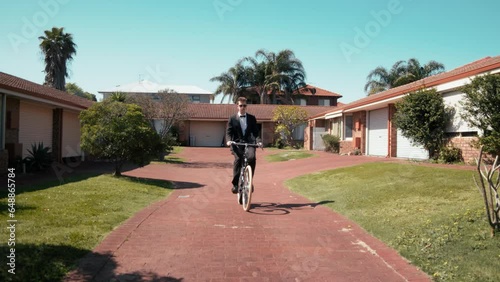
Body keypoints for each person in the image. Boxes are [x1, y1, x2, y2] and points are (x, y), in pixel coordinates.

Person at [226, 97, 262, 194]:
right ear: (237, 106)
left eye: (244, 105)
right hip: (237, 143)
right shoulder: (232, 118)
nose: (243, 107)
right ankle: (236, 184)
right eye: (241, 105)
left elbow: (256, 133)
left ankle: (250, 181)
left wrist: (259, 141)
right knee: (238, 159)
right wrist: (229, 141)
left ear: (246, 106)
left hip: (249, 142)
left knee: (252, 158)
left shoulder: (251, 118)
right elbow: (228, 133)